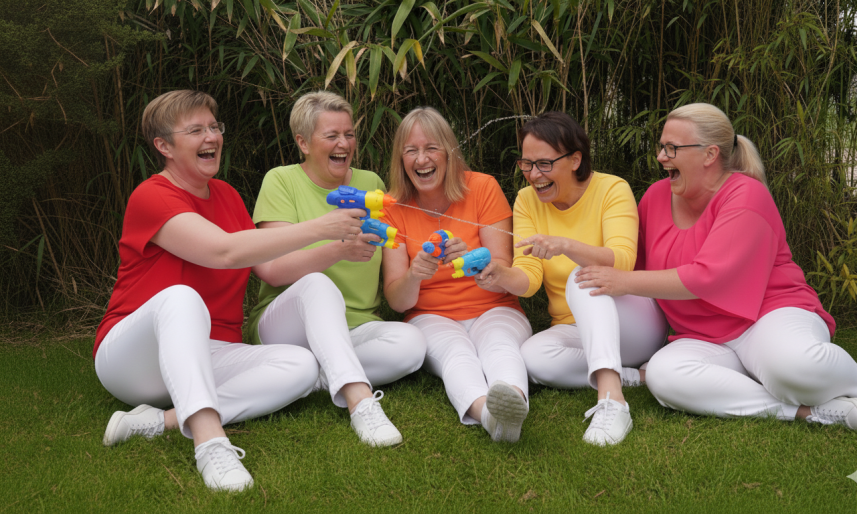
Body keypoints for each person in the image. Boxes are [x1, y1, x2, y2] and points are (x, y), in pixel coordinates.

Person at [95, 90, 366, 491]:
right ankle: (210, 443)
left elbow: (269, 268)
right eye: (195, 130)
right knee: (181, 296)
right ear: (163, 146)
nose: (211, 137)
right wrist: (320, 227)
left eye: (214, 127)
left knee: (302, 365)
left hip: (213, 351)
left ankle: (160, 421)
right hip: (133, 360)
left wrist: (338, 247)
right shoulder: (151, 195)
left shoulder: (228, 196)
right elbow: (223, 252)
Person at [573, 102, 857, 432]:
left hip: (768, 316)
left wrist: (623, 281)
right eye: (661, 147)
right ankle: (808, 412)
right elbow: (632, 261)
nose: (661, 157)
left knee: (793, 369)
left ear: (709, 154)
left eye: (671, 148)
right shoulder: (655, 197)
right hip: (702, 335)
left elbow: (706, 276)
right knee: (664, 375)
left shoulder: (746, 194)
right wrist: (574, 249)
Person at [475, 112, 668, 446]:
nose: (534, 175)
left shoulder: (611, 188)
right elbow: (530, 279)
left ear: (575, 159)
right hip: (575, 329)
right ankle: (637, 376)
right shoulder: (526, 200)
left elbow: (622, 259)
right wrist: (501, 275)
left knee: (584, 274)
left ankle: (612, 400)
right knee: (533, 358)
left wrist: (566, 246)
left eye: (544, 164)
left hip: (633, 321)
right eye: (527, 164)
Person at [247, 91, 427, 447]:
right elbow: (271, 270)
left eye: (349, 134)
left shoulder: (371, 184)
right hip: (287, 328)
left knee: (412, 345)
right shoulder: (281, 181)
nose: (344, 144)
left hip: (355, 326)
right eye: (332, 136)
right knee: (317, 284)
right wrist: (339, 250)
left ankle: (303, 378)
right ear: (303, 143)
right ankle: (360, 402)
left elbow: (394, 245)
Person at [380, 107, 533, 442]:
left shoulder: (482, 187)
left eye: (431, 148)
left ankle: (513, 403)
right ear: (400, 159)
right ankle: (490, 416)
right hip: (430, 315)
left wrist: (475, 262)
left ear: (449, 152)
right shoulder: (392, 207)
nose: (422, 159)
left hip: (495, 306)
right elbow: (397, 300)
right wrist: (415, 275)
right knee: (456, 353)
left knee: (499, 345)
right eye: (411, 150)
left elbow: (503, 268)